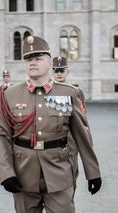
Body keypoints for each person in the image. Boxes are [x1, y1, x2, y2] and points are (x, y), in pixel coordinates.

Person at [0, 35, 101, 213]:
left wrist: (93, 173)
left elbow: (82, 135)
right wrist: (6, 172)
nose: (32, 61)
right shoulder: (10, 95)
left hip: (59, 170)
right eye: (28, 58)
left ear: (50, 61)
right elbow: (0, 135)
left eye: (38, 56)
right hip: (22, 174)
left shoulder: (68, 93)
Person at [52, 56, 86, 188]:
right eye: (56, 71)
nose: (59, 74)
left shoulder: (76, 92)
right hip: (53, 142)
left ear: (67, 72)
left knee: (71, 177)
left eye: (62, 71)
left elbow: (82, 119)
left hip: (71, 141)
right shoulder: (45, 93)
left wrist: (84, 142)